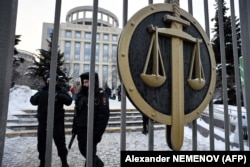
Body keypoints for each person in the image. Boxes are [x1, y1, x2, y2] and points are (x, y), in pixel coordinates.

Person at [30, 72, 72, 167]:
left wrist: (58, 95)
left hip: (57, 121)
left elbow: (69, 101)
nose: (50, 83)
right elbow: (33, 101)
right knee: (42, 143)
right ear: (46, 81)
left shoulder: (61, 90)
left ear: (57, 81)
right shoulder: (42, 90)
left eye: (53, 81)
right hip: (43, 122)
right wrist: (41, 93)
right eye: (48, 81)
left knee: (60, 143)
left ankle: (64, 161)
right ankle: (43, 162)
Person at [72, 72, 110, 167]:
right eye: (84, 82)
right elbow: (76, 113)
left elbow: (103, 116)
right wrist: (75, 127)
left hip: (93, 130)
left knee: (90, 153)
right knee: (82, 149)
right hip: (81, 128)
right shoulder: (81, 95)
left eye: (87, 82)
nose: (85, 84)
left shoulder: (101, 95)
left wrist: (97, 133)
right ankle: (99, 164)